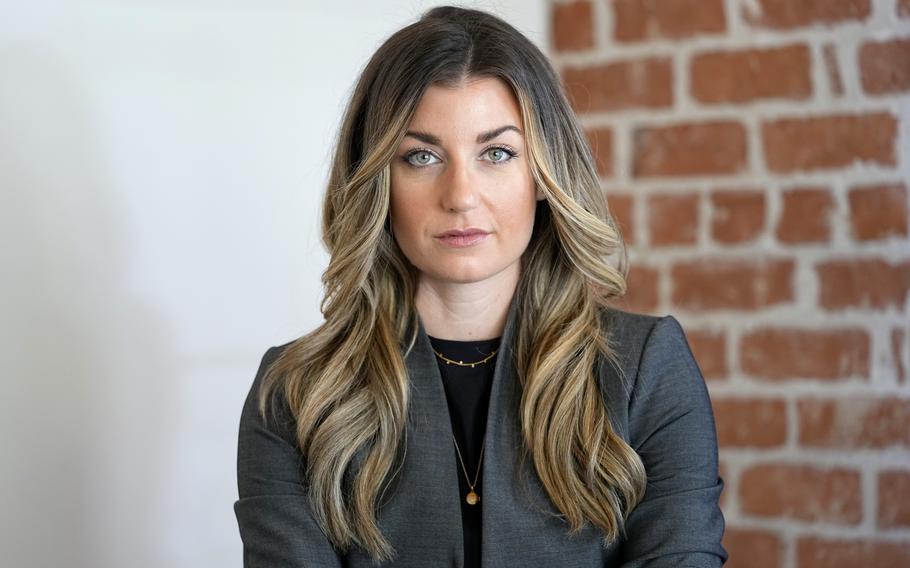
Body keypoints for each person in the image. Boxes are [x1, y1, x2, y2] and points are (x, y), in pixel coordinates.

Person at [234, 5, 727, 567]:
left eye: (497, 153)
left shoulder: (646, 370)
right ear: (376, 181)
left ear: (544, 174)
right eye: (421, 156)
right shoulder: (295, 394)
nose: (461, 195)